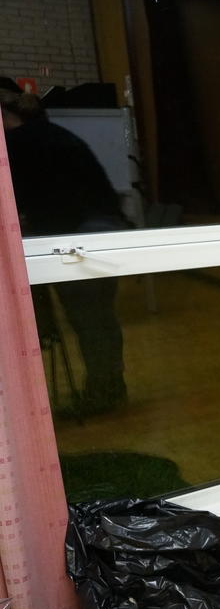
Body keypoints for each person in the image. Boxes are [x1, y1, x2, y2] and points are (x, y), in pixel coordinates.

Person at [1, 83, 130, 417]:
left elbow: (31, 205)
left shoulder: (15, 145)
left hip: (77, 236)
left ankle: (102, 394)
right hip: (105, 231)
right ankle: (110, 388)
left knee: (89, 320)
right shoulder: (53, 132)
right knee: (100, 320)